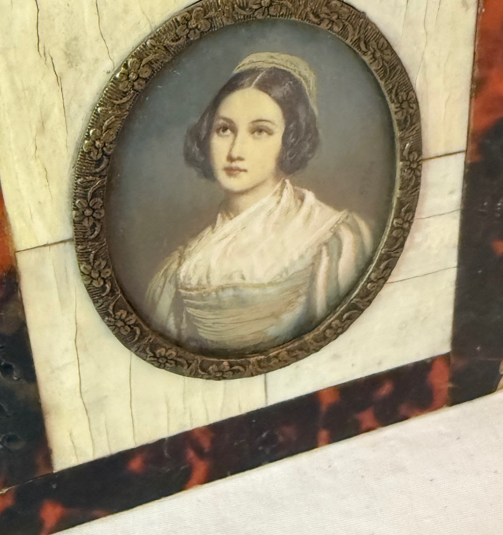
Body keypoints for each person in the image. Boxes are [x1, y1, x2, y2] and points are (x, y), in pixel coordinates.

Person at [144, 52, 373, 355]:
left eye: (260, 131)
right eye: (224, 129)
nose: (235, 151)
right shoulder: (181, 267)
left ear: (289, 140)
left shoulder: (333, 238)